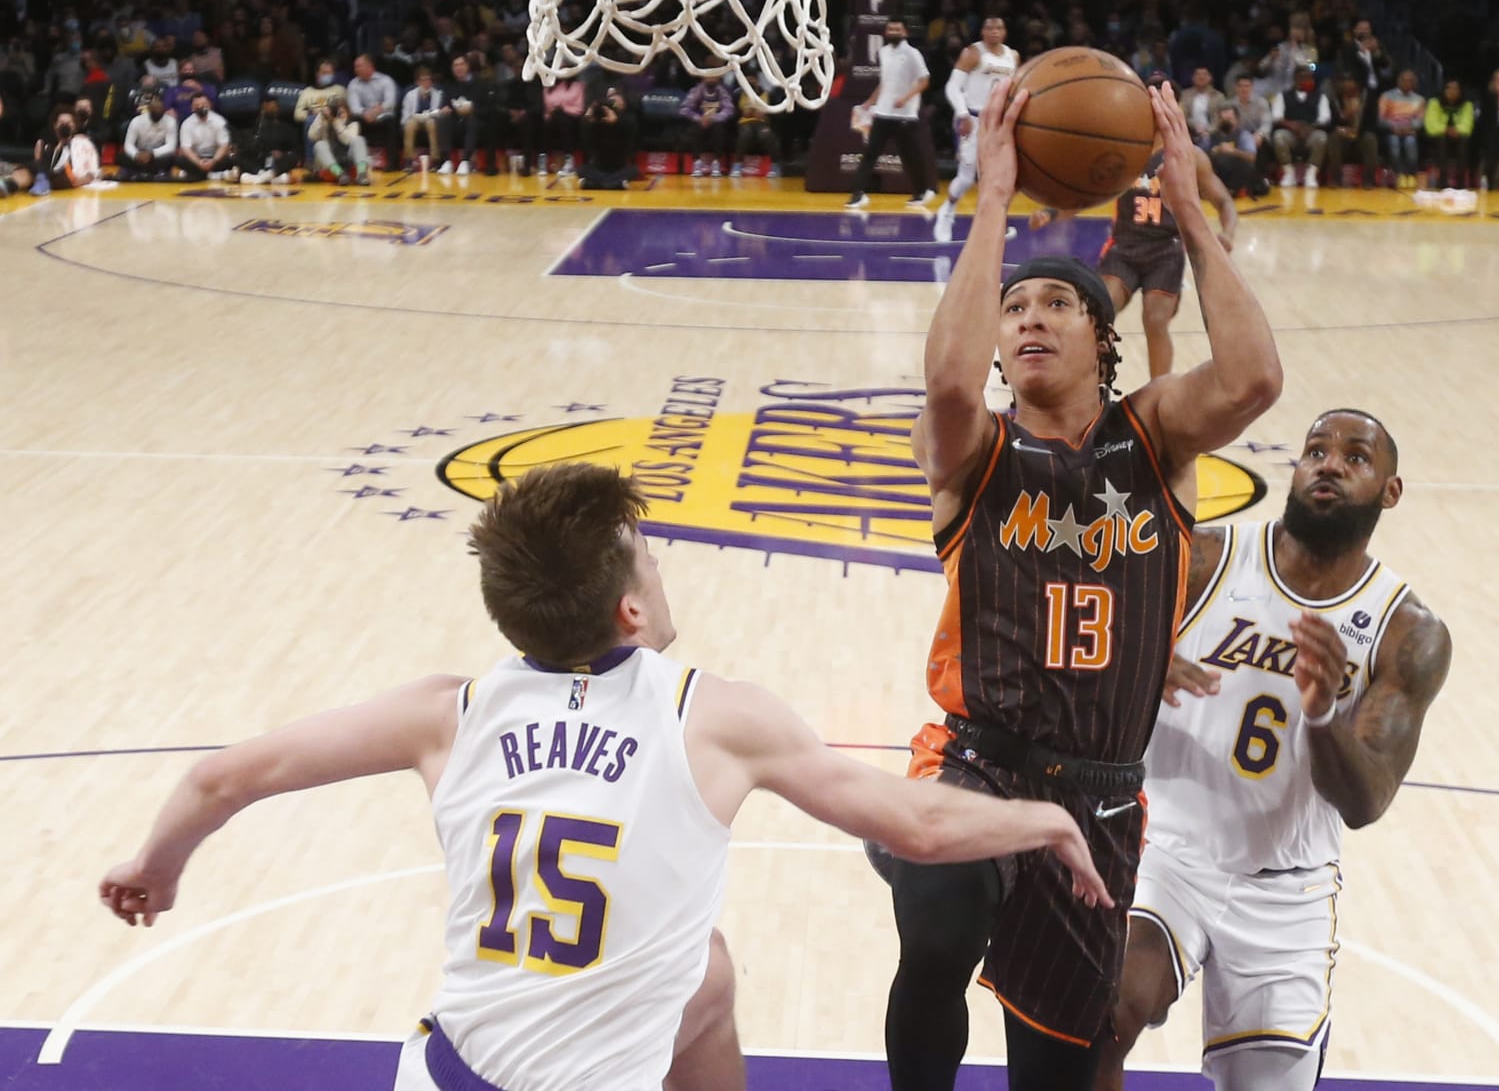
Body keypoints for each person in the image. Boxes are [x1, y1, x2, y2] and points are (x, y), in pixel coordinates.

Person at [101, 462, 1110, 1091]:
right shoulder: (714, 717)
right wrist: (1048, 824)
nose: (660, 566)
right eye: (649, 559)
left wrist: (158, 866)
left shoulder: (440, 710)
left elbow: (224, 779)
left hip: (452, 1071)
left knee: (703, 971)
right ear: (630, 611)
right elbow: (920, 828)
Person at [874, 76, 1280, 1091]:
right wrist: (995, 204)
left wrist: (1188, 205)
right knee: (939, 926)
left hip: (1099, 797)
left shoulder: (1155, 437)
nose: (1030, 320)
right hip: (973, 763)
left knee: (1050, 1070)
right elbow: (946, 384)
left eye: (1057, 301)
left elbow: (1255, 379)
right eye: (1015, 308)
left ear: (1104, 335)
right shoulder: (972, 451)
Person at [1096, 410, 1452, 1091]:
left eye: (1354, 458)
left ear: (1391, 490)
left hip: (1288, 889)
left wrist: (1320, 716)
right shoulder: (1204, 560)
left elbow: (1367, 800)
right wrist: (1133, 662)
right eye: (1316, 450)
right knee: (1108, 1012)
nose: (1328, 464)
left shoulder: (1406, 631)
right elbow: (1079, 642)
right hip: (1165, 850)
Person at [1028, 80, 1240, 379]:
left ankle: (1159, 392)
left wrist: (1228, 235)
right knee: (1098, 313)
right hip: (1124, 247)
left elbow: (1225, 203)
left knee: (1155, 319)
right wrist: (1052, 212)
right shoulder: (1123, 152)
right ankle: (1088, 387)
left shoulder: (1190, 157)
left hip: (1166, 250)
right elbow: (1089, 193)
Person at [934, 17, 1020, 240]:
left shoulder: (1013, 56)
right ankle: (947, 211)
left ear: (1005, 31)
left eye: (999, 27)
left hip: (999, 123)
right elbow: (953, 87)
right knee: (966, 176)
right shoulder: (973, 53)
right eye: (989, 27)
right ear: (982, 31)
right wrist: (962, 114)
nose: (994, 31)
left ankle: (995, 222)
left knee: (996, 175)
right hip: (973, 118)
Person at [846, 19, 935, 211]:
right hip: (883, 113)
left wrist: (906, 98)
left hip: (905, 115)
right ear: (886, 32)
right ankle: (857, 195)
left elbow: (924, 80)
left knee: (911, 156)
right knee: (870, 154)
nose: (894, 31)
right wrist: (870, 101)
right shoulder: (883, 52)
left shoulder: (912, 54)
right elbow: (884, 81)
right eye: (890, 28)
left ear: (905, 32)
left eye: (898, 28)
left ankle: (922, 192)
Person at [236, 92, 303, 184]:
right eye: (266, 106)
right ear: (262, 108)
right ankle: (267, 177)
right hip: (260, 163)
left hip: (278, 164)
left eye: (274, 106)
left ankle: (261, 178)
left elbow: (296, 149)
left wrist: (283, 154)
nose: (272, 108)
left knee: (293, 157)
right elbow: (250, 148)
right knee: (238, 156)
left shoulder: (287, 128)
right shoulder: (256, 128)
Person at [1377, 69, 1426, 189]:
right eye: (1404, 80)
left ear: (1414, 83)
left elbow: (1420, 120)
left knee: (1410, 142)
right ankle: (1398, 175)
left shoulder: (1420, 99)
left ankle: (1410, 175)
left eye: (1410, 81)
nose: (1407, 83)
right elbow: (1380, 118)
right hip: (1392, 131)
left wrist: (1409, 127)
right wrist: (1394, 127)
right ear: (1398, 81)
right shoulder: (1386, 96)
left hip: (1410, 131)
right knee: (1394, 143)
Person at [679, 75, 736, 177]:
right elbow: (684, 109)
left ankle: (716, 163)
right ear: (702, 78)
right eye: (708, 77)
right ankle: (697, 163)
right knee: (695, 130)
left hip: (717, 122)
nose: (711, 79)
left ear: (718, 78)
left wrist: (713, 118)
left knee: (719, 129)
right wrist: (699, 118)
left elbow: (729, 109)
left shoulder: (723, 91)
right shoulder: (696, 90)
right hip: (699, 121)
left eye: (713, 77)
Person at [1424, 78, 1474, 189]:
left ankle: (1461, 181)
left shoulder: (1467, 105)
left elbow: (1467, 126)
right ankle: (1442, 180)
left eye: (1455, 88)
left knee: (1464, 140)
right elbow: (1430, 125)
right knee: (1441, 139)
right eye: (1449, 88)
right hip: (1438, 137)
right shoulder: (1434, 102)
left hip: (1458, 137)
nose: (1452, 91)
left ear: (1460, 91)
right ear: (1443, 90)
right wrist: (1446, 129)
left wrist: (1456, 130)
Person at [117, 92, 178, 182]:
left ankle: (145, 173)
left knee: (170, 159)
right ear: (149, 109)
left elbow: (171, 146)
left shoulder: (170, 121)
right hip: (139, 155)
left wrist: (152, 154)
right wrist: (136, 155)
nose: (158, 110)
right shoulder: (137, 121)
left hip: (157, 157)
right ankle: (145, 172)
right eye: (155, 108)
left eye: (160, 108)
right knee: (121, 157)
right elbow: (128, 145)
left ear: (164, 109)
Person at [173, 92, 235, 181]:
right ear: (192, 108)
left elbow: (224, 145)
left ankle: (198, 175)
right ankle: (214, 175)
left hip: (215, 158)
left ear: (209, 105)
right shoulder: (186, 124)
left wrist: (213, 161)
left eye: (204, 104)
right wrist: (199, 162)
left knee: (232, 159)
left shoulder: (219, 121)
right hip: (196, 159)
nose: (201, 107)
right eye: (197, 105)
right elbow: (186, 148)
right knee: (178, 159)